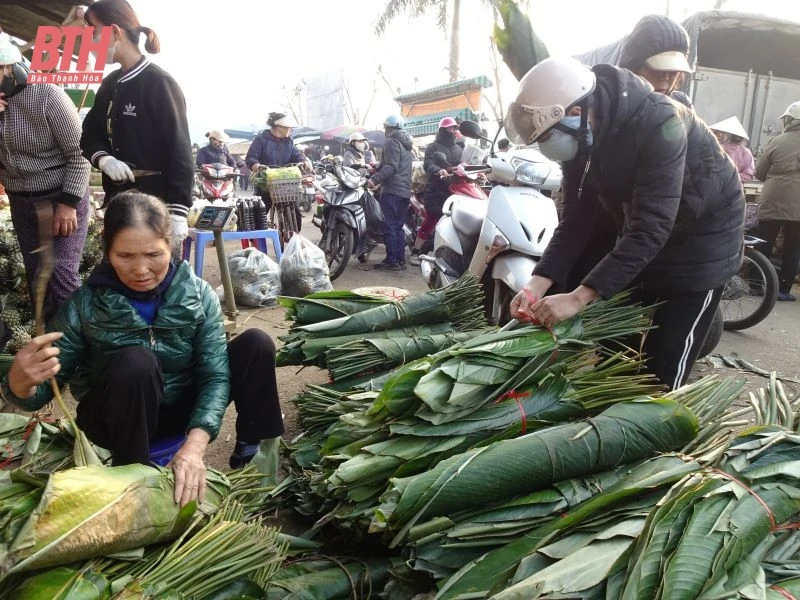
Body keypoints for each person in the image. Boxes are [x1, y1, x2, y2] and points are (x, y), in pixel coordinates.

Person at [1, 192, 285, 505]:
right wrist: (19, 382)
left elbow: (215, 376)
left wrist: (195, 444)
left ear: (171, 246)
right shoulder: (85, 305)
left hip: (180, 410)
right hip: (116, 421)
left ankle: (252, 452)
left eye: (153, 254)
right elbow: (40, 395)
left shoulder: (198, 295)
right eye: (125, 256)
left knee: (256, 343)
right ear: (108, 251)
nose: (140, 269)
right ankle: (133, 475)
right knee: (137, 361)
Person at [506, 56, 744, 390]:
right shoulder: (583, 138)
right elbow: (576, 221)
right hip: (645, 235)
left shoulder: (660, 122)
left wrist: (576, 298)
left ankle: (659, 417)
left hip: (700, 245)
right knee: (614, 345)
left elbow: (650, 227)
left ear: (575, 112)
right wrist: (536, 284)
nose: (549, 147)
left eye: (548, 137)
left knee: (665, 360)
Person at [561, 14, 697, 293]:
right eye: (658, 69)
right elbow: (576, 215)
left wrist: (581, 296)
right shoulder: (597, 109)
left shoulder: (670, 117)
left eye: (673, 71)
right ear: (632, 66)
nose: (668, 78)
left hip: (669, 238)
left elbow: (653, 221)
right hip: (619, 230)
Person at [80, 0, 194, 259]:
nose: (91, 42)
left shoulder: (159, 84)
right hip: (118, 202)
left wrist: (178, 212)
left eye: (94, 33)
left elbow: (180, 149)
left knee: (155, 280)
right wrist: (104, 159)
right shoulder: (109, 85)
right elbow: (89, 135)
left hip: (156, 206)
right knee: (121, 274)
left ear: (115, 32)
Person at [0, 34, 91, 319]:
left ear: (7, 68)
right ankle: (51, 345)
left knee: (61, 276)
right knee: (37, 277)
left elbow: (80, 154)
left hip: (60, 197)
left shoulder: (47, 95)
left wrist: (68, 204)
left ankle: (81, 348)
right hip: (21, 202)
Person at [755, 101, 800, 302]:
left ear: (789, 120)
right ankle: (783, 290)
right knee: (793, 248)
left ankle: (757, 285)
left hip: (773, 198)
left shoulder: (777, 141)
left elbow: (759, 173)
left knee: (763, 241)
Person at [409, 116, 463, 266]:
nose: (453, 131)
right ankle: (416, 250)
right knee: (432, 219)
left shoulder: (458, 148)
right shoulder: (433, 147)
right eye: (450, 128)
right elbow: (428, 164)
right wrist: (438, 170)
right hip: (436, 190)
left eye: (455, 128)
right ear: (443, 130)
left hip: (455, 190)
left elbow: (463, 165)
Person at [368, 115, 414, 271]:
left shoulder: (391, 141)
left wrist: (374, 179)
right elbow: (395, 164)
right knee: (398, 226)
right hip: (405, 191)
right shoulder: (407, 143)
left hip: (392, 190)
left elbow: (392, 167)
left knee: (389, 226)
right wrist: (377, 166)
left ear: (389, 128)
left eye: (385, 127)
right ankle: (400, 260)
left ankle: (391, 261)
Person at [245, 112, 309, 225]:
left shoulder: (289, 141)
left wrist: (303, 161)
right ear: (279, 127)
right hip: (266, 182)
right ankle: (256, 238)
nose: (291, 130)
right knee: (260, 211)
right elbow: (251, 157)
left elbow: (296, 155)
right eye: (288, 127)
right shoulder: (261, 139)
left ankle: (294, 237)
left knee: (296, 213)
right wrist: (255, 165)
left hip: (286, 182)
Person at [709, 117, 755, 183]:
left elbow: (748, 176)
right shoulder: (712, 148)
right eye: (717, 132)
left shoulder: (745, 153)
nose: (719, 134)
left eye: (723, 132)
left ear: (731, 134)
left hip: (733, 189)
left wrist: (729, 177)